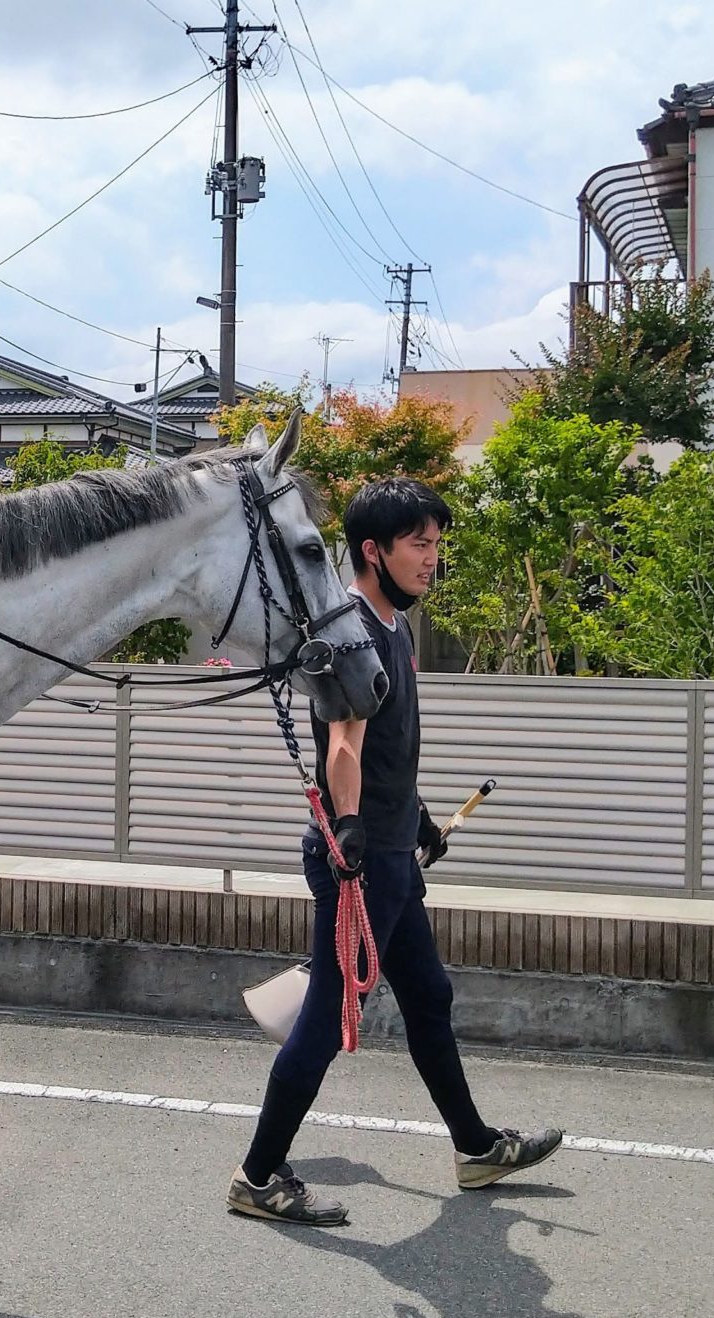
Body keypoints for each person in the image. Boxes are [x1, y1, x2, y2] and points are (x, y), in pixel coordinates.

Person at [228, 478, 560, 1225]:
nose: (432, 558)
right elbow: (343, 748)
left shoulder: (392, 629)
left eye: (437, 543)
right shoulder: (348, 633)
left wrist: (416, 824)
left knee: (428, 996)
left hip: (386, 852)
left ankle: (474, 1147)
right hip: (360, 860)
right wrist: (351, 829)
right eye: (419, 543)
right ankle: (257, 1175)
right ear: (373, 551)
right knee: (324, 1017)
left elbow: (386, 757)